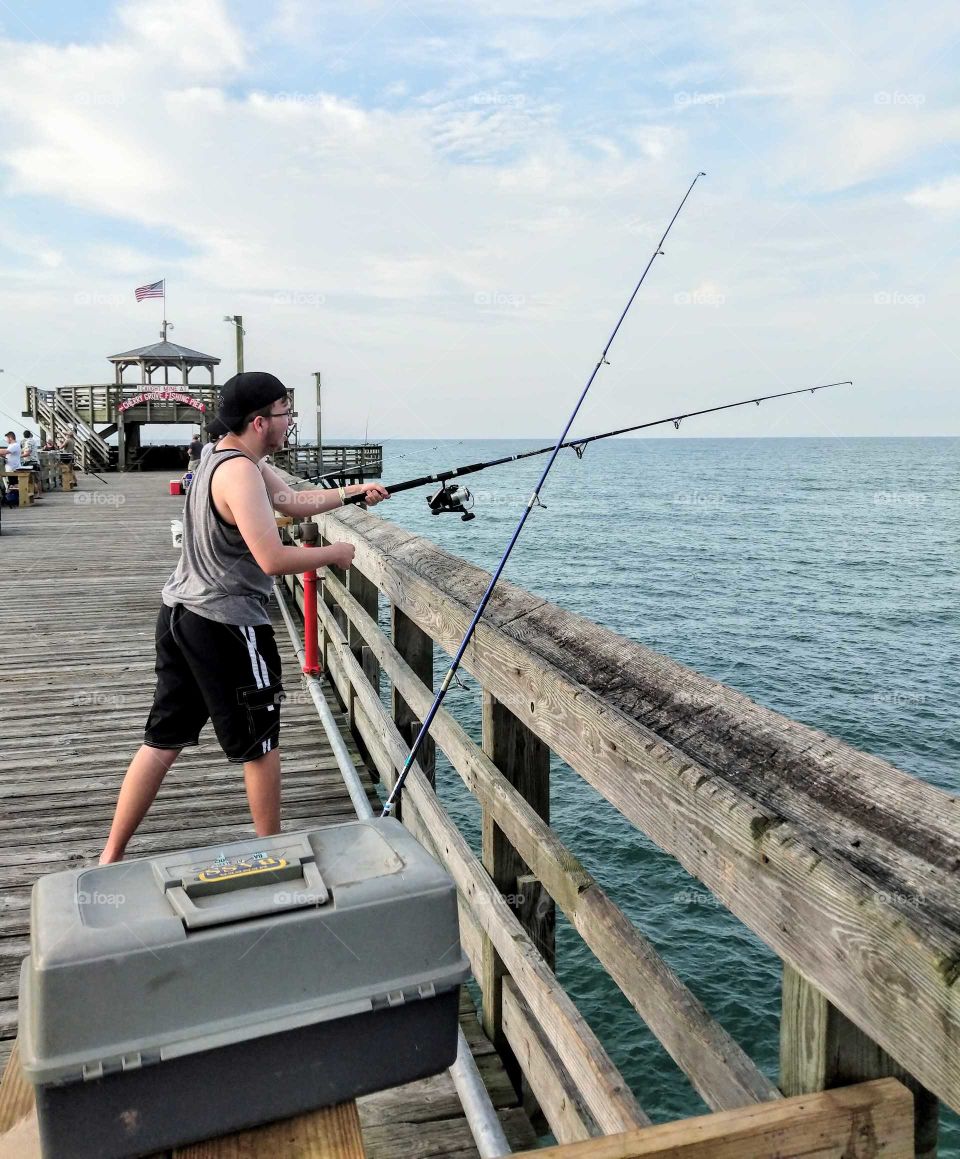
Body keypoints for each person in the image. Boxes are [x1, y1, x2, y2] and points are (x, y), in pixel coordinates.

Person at [99, 372, 389, 864]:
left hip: (180, 616)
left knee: (162, 740)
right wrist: (335, 552)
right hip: (225, 626)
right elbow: (273, 559)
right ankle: (274, 855)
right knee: (261, 742)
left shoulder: (223, 455)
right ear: (260, 421)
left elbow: (293, 503)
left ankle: (110, 857)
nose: (289, 423)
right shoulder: (240, 473)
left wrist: (355, 490)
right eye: (284, 414)